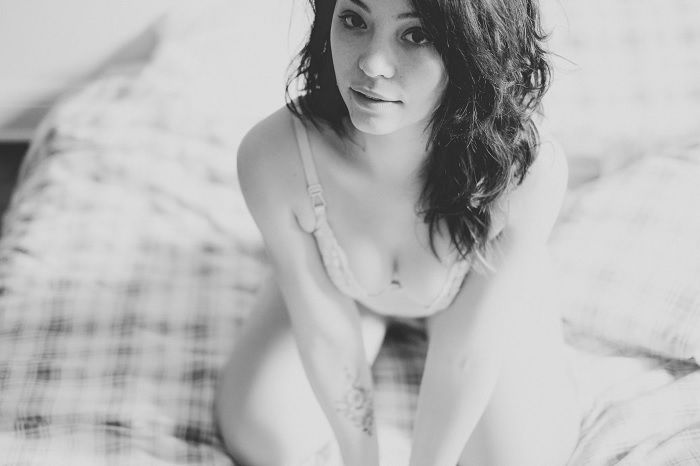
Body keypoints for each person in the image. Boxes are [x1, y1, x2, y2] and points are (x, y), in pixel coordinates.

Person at [214, 0, 582, 464]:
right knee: (262, 436)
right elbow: (325, 331)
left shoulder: (525, 172)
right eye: (353, 21)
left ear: (474, 46)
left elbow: (465, 353)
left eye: (417, 35)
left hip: (476, 298)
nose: (371, 63)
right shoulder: (275, 156)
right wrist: (361, 458)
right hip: (344, 288)